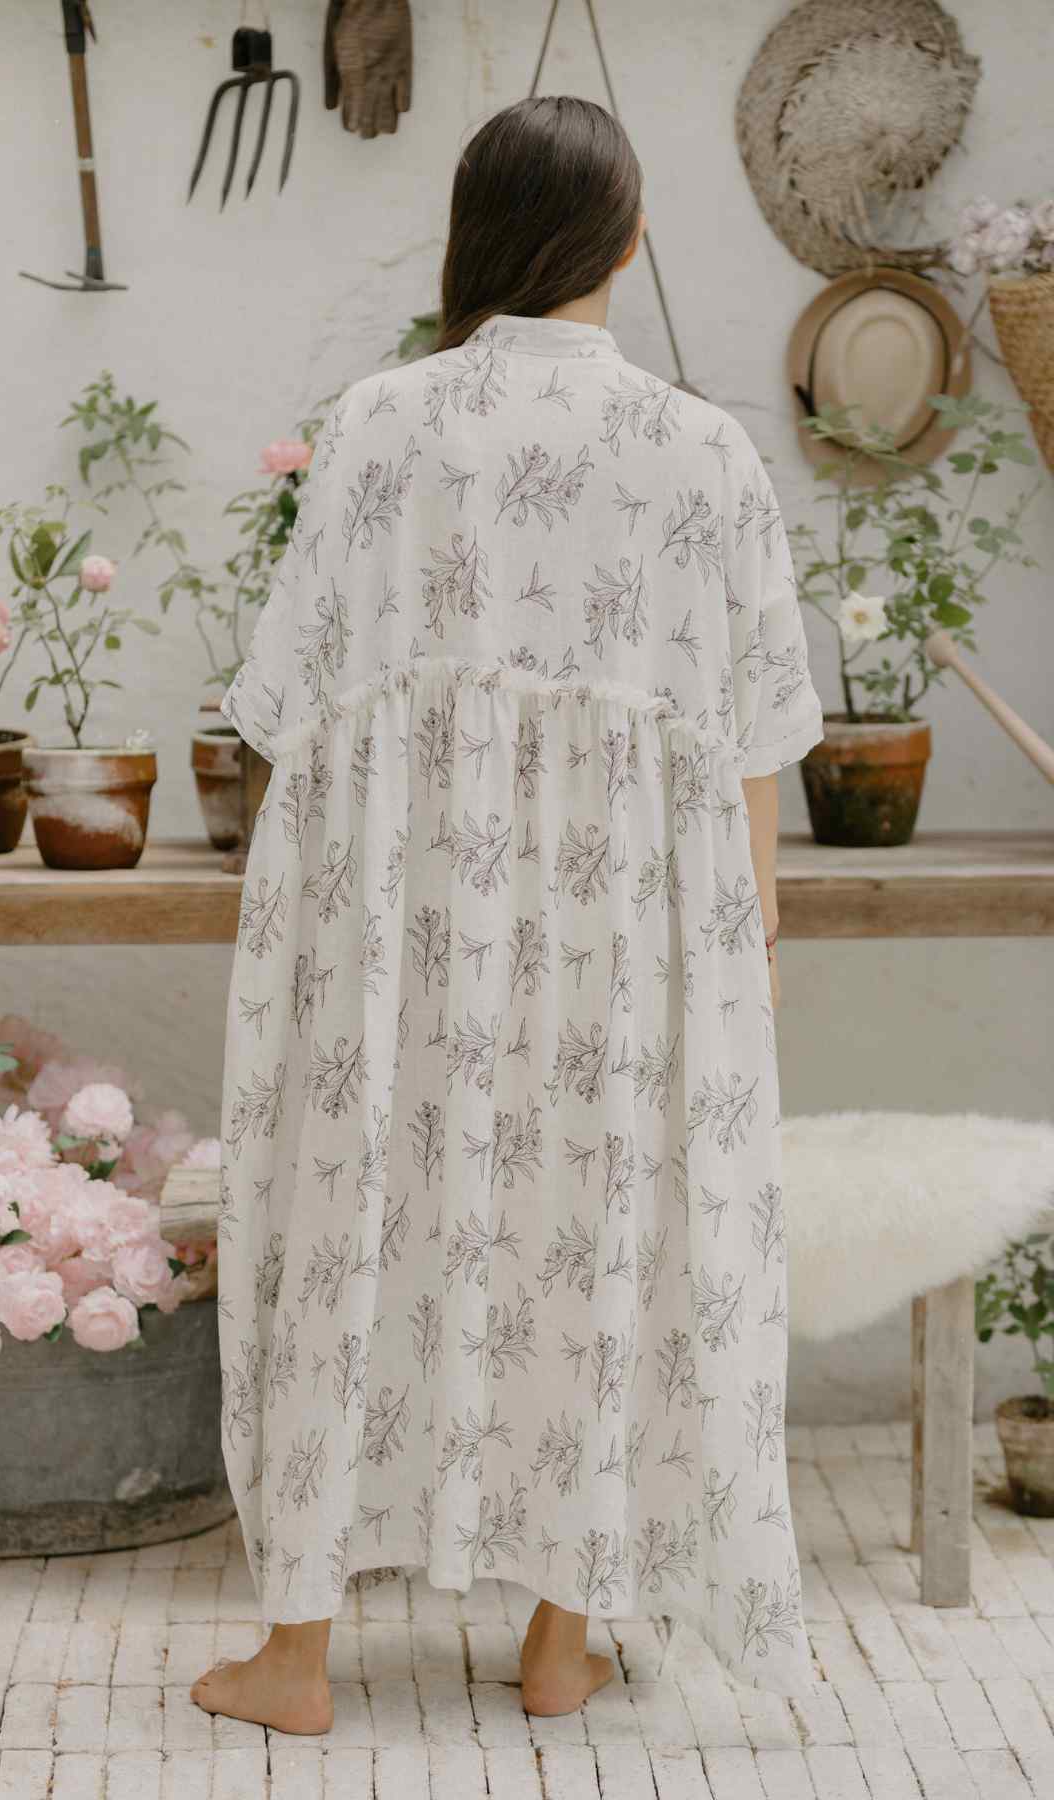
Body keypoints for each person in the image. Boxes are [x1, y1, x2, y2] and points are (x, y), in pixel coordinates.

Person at [193, 94, 823, 1733]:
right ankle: (562, 1637)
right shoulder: (703, 447)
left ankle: (299, 1657)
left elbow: (291, 709)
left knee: (359, 1229)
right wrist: (747, 942)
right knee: (599, 1234)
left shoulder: (384, 425)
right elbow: (755, 735)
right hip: (631, 949)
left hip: (407, 937)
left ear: (474, 235)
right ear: (627, 243)